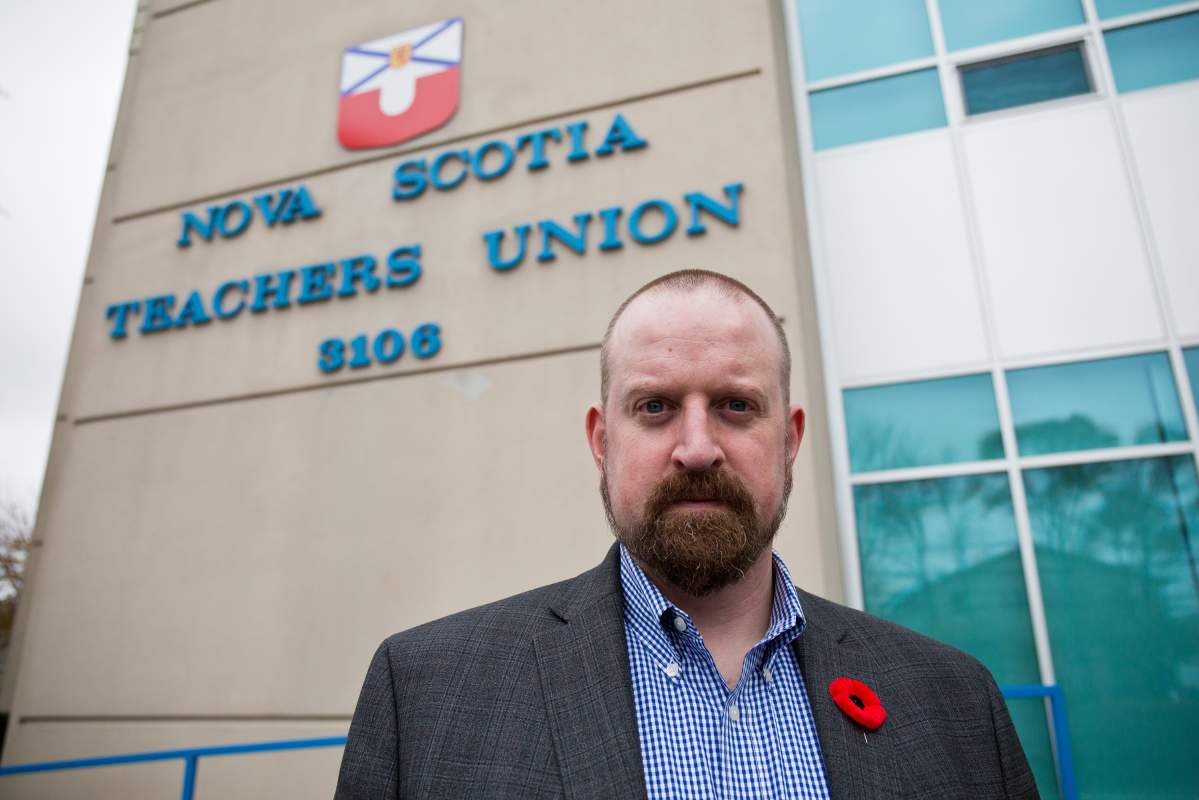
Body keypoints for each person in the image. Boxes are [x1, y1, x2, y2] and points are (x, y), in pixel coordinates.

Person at [335, 269, 1039, 799]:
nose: (697, 447)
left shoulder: (955, 702)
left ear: (789, 439)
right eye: (655, 406)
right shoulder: (426, 693)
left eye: (736, 405)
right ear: (601, 440)